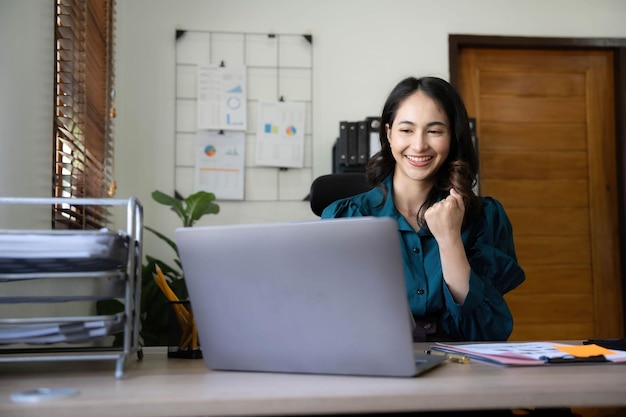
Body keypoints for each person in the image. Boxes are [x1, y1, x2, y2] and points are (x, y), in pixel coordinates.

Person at [322, 76, 525, 342]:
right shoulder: (345, 217)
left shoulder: (485, 218)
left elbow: (486, 332)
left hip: (461, 371)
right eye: (406, 130)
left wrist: (450, 240)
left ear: (453, 136)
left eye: (435, 131)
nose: (419, 145)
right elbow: (329, 317)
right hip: (375, 363)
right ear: (388, 134)